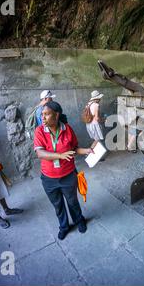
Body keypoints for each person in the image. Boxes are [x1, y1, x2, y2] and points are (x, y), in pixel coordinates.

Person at [34, 101, 94, 240]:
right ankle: (64, 227)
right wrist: (60, 155)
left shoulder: (67, 129)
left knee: (72, 201)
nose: (43, 117)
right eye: (42, 114)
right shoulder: (39, 131)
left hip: (68, 176)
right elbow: (40, 154)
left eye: (46, 114)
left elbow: (74, 149)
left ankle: (79, 221)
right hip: (49, 178)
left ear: (56, 115)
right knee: (58, 205)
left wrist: (87, 150)